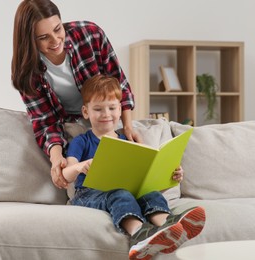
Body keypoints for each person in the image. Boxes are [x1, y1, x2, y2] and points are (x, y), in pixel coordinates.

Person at [63, 74, 205, 259]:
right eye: (98, 109)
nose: (106, 114)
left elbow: (144, 181)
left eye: (112, 108)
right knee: (120, 194)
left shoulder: (126, 141)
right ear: (85, 112)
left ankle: (167, 225)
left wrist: (170, 178)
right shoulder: (82, 141)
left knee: (149, 194)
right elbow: (67, 174)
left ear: (120, 109)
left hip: (126, 190)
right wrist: (80, 166)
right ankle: (139, 234)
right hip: (88, 194)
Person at [11, 0, 141, 190]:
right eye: (43, 37)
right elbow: (45, 121)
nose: (55, 41)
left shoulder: (90, 34)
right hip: (71, 124)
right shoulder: (27, 71)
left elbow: (118, 82)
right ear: (30, 39)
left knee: (133, 168)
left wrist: (128, 125)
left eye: (57, 29)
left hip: (106, 116)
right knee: (88, 179)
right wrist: (56, 158)